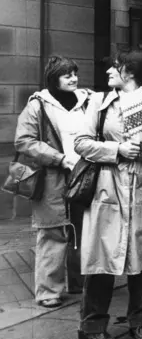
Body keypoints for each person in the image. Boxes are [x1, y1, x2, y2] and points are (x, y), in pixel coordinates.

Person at [73, 50, 142, 339]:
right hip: (107, 189)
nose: (109, 72)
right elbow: (81, 143)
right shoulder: (99, 103)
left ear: (129, 72)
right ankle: (91, 325)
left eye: (115, 67)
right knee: (101, 260)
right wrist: (116, 150)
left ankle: (138, 322)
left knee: (140, 263)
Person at [14, 56, 91, 308]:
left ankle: (79, 283)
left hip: (84, 173)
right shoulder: (38, 105)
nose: (73, 78)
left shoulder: (87, 100)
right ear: (53, 78)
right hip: (52, 177)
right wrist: (59, 158)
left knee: (81, 228)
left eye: (74, 73)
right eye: (66, 74)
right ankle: (48, 292)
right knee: (52, 231)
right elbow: (24, 141)